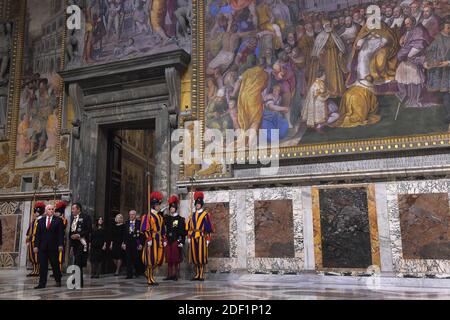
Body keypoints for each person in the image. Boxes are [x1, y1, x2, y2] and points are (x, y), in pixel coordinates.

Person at [396, 17, 432, 108]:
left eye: (408, 23)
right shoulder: (408, 31)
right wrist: (402, 41)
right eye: (406, 24)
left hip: (413, 60)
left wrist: (409, 55)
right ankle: (407, 98)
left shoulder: (418, 31)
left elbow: (418, 45)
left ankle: (415, 100)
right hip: (406, 60)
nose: (406, 25)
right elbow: (407, 42)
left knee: (414, 81)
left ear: (413, 23)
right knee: (404, 79)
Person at [307, 20, 347, 97]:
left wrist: (341, 51)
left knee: (336, 72)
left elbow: (339, 44)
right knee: (327, 73)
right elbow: (317, 48)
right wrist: (320, 52)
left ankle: (337, 90)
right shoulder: (321, 36)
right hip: (326, 57)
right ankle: (328, 90)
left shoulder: (334, 34)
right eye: (326, 25)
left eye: (329, 25)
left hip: (335, 56)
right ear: (324, 26)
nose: (328, 26)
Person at [425, 16, 450, 123]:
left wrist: (448, 62)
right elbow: (430, 51)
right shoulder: (438, 38)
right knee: (446, 94)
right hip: (444, 73)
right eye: (448, 27)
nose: (449, 29)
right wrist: (428, 62)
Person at [33, 204, 64, 289]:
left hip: (53, 247)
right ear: (46, 211)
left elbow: (61, 234)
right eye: (49, 209)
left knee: (55, 265)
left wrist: (60, 244)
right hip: (42, 247)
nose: (51, 210)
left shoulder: (58, 220)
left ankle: (58, 280)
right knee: (43, 266)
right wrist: (36, 246)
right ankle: (42, 284)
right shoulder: (41, 221)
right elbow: (38, 235)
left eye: (52, 209)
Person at [187, 192, 213, 281]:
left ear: (201, 205)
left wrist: (208, 239)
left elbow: (209, 228)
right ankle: (197, 274)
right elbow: (189, 227)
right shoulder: (192, 215)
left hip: (202, 236)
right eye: (196, 204)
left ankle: (201, 274)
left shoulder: (205, 215)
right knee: (195, 256)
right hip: (194, 236)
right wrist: (189, 237)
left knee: (201, 256)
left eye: (199, 204)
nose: (197, 205)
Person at [141, 192, 166, 286]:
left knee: (158, 259)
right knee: (151, 259)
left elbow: (163, 229)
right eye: (157, 205)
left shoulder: (160, 217)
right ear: (154, 206)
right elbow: (145, 228)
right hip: (151, 240)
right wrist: (149, 238)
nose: (159, 207)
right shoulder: (147, 216)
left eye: (159, 205)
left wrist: (164, 239)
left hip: (158, 239)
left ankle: (148, 274)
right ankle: (150, 278)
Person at [300, 68, 330, 134]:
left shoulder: (319, 82)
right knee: (318, 117)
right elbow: (320, 95)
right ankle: (318, 128)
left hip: (318, 102)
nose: (325, 76)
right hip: (317, 103)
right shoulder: (318, 84)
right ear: (321, 75)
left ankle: (319, 127)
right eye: (324, 75)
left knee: (320, 117)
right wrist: (327, 94)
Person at [163, 195, 186, 281]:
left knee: (176, 258)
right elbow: (160, 216)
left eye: (172, 207)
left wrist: (181, 241)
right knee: (169, 258)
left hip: (176, 240)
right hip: (168, 240)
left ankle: (175, 275)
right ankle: (169, 275)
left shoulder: (180, 219)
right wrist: (165, 207)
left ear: (175, 208)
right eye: (170, 208)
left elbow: (183, 232)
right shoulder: (167, 218)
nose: (171, 209)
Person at [69, 203, 92, 288]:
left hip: (82, 243)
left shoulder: (86, 217)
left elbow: (89, 229)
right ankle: (78, 282)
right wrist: (71, 245)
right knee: (76, 262)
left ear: (78, 209)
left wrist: (79, 235)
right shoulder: (73, 218)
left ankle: (77, 282)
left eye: (73, 209)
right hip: (75, 244)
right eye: (71, 209)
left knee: (78, 262)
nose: (72, 211)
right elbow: (72, 231)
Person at [25, 202, 45, 277]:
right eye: (35, 212)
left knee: (37, 257)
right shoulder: (34, 221)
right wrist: (28, 238)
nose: (35, 213)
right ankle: (34, 270)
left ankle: (38, 270)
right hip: (32, 240)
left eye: (36, 212)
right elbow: (30, 230)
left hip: (38, 241)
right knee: (32, 256)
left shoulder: (42, 220)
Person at [122, 210, 142, 279]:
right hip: (128, 243)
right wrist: (124, 243)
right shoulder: (127, 223)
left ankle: (137, 272)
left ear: (135, 215)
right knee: (128, 259)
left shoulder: (139, 223)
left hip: (136, 243)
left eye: (133, 214)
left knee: (136, 258)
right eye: (130, 214)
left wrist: (140, 244)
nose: (131, 216)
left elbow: (141, 235)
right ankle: (129, 274)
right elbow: (124, 234)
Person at [54, 201, 68, 274]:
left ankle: (58, 271)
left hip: (61, 239)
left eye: (57, 212)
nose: (56, 213)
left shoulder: (64, 220)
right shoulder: (55, 219)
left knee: (60, 256)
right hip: (54, 240)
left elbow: (63, 227)